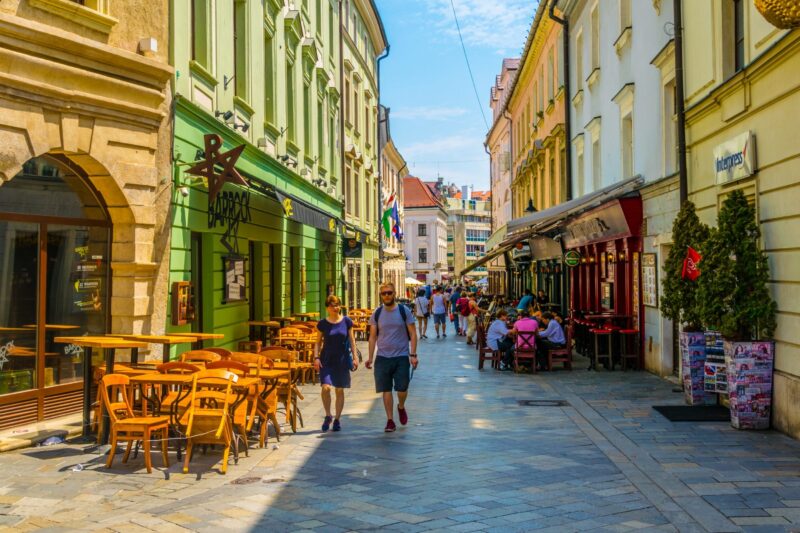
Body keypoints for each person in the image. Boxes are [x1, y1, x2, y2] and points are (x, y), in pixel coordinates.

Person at [367, 283, 418, 433]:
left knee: (402, 388)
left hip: (401, 356)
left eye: (389, 293)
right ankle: (390, 420)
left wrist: (413, 354)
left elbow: (413, 334)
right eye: (384, 293)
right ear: (380, 295)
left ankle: (401, 406)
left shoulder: (404, 311)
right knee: (386, 389)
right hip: (382, 357)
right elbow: (372, 337)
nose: (387, 296)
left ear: (394, 293)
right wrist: (370, 357)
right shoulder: (376, 313)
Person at [313, 295, 359, 432]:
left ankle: (337, 419)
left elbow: (352, 341)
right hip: (326, 359)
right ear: (327, 308)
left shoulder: (347, 321)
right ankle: (328, 415)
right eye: (332, 305)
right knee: (325, 387)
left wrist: (355, 357)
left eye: (337, 304)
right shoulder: (322, 323)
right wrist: (316, 357)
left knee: (339, 389)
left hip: (342, 360)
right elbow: (317, 342)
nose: (335, 307)